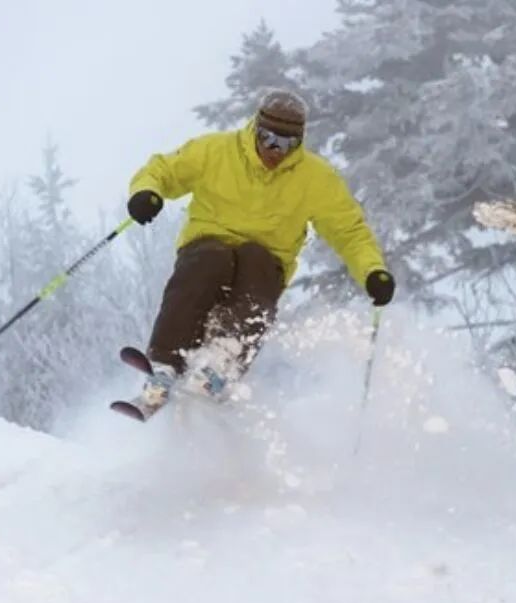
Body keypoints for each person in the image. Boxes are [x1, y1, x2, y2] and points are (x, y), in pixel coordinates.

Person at [126, 88, 395, 404]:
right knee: (210, 260)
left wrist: (373, 271)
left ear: (299, 142)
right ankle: (164, 362)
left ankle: (220, 363)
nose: (274, 150)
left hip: (266, 261)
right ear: (256, 127)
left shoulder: (315, 178)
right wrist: (146, 193)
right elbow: (162, 170)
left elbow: (349, 231)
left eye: (286, 143)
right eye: (268, 138)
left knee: (257, 262)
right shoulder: (216, 151)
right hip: (208, 245)